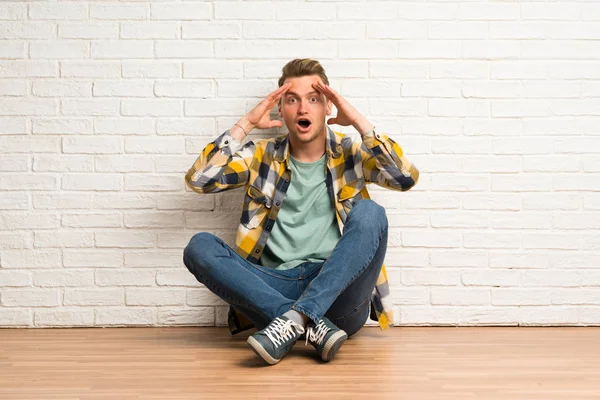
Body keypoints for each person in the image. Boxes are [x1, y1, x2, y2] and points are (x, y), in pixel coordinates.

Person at [183, 59, 419, 365]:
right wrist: (245, 124)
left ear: (328, 108)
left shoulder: (351, 154)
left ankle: (295, 319)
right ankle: (306, 324)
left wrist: (359, 122)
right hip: (272, 287)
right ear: (281, 110)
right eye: (292, 100)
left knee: (370, 213)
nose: (303, 109)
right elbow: (199, 179)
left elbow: (405, 177)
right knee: (199, 247)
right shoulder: (260, 156)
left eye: (314, 99)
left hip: (336, 292)